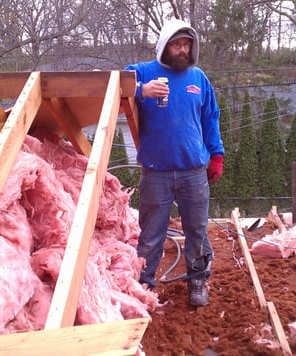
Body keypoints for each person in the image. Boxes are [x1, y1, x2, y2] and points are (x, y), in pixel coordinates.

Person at [124, 19, 224, 306]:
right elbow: (113, 86)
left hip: (194, 171)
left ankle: (198, 281)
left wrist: (216, 155)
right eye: (176, 44)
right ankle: (145, 283)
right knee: (152, 234)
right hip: (156, 172)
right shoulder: (142, 72)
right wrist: (141, 90)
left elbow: (210, 119)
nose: (182, 50)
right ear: (164, 45)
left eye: (186, 45)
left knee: (197, 230)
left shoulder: (198, 78)